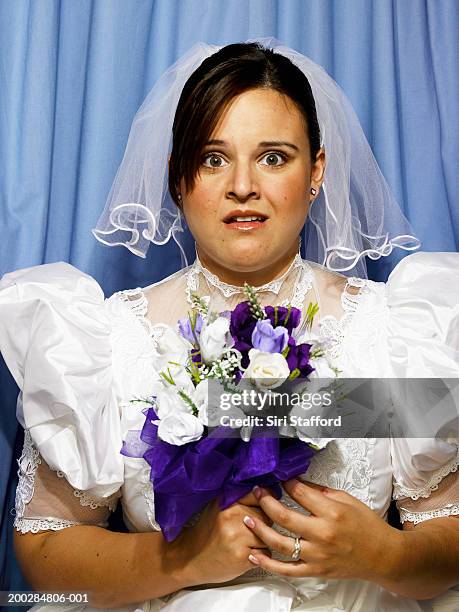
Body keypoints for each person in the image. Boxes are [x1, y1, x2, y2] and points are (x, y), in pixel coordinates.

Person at [0, 39, 458, 611]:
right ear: (176, 177)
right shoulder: (107, 337)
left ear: (316, 171)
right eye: (213, 158)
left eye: (273, 157)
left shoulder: (399, 327)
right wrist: (184, 559)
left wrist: (381, 555)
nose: (243, 185)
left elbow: (446, 532)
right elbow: (47, 552)